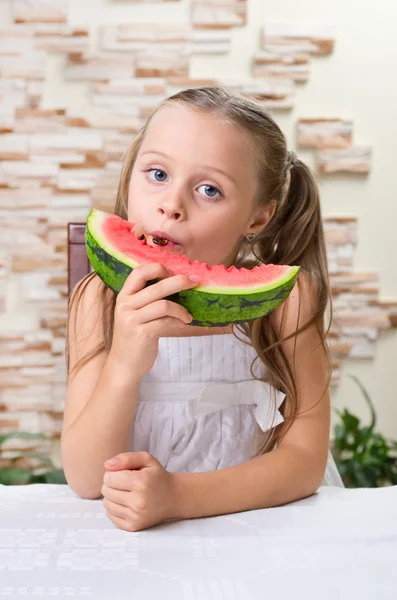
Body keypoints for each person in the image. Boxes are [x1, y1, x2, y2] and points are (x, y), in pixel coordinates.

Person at [61, 86, 344, 533]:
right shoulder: (98, 301)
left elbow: (305, 462)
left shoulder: (285, 303)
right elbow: (85, 477)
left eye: (210, 189)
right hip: (139, 541)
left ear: (257, 218)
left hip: (261, 533)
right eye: (157, 174)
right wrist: (124, 367)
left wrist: (177, 497)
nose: (171, 205)